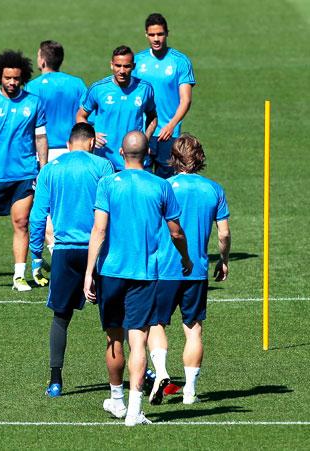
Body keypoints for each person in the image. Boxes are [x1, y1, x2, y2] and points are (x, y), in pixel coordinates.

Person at [83, 131, 192, 426]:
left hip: (110, 273)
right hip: (144, 274)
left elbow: (99, 231)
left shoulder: (107, 184)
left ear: (120, 152)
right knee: (138, 341)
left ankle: (116, 400)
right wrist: (185, 258)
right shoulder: (161, 185)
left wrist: (89, 272)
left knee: (113, 338)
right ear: (147, 154)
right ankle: (134, 410)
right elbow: (176, 231)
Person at [29, 123, 114, 397]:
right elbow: (113, 212)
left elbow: (38, 215)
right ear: (91, 143)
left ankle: (55, 381)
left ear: (68, 144)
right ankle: (139, 373)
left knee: (60, 317)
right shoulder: (103, 167)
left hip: (64, 252)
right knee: (114, 317)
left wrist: (35, 254)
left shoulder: (50, 170)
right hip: (98, 251)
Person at [146, 134, 230, 405]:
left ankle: (160, 373)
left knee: (155, 323)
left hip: (164, 269)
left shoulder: (164, 187)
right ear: (200, 158)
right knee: (193, 328)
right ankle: (191, 390)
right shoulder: (214, 190)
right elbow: (224, 234)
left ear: (173, 158)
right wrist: (224, 259)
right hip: (197, 271)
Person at [0, 49, 48, 291]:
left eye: (16, 78)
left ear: (23, 77)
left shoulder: (34, 102)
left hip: (24, 175)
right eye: (7, 78)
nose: (12, 82)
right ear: (0, 77)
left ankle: (19, 275)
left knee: (21, 222)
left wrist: (43, 170)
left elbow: (40, 138)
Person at [26, 40, 89, 276]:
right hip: (75, 150)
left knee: (45, 208)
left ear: (42, 60)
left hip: (45, 153)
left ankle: (58, 255)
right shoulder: (77, 84)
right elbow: (86, 114)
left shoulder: (33, 87)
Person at [133, 13, 196, 178]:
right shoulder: (137, 61)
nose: (156, 39)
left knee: (167, 183)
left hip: (168, 134)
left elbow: (186, 99)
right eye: (152, 34)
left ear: (167, 33)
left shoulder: (180, 61)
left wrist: (171, 125)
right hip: (142, 133)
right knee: (142, 180)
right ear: (146, 34)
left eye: (160, 34)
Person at [76, 46, 157, 171]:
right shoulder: (98, 89)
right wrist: (91, 134)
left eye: (127, 66)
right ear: (111, 65)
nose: (122, 71)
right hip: (104, 161)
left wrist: (145, 140)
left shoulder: (145, 89)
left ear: (133, 66)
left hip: (135, 160)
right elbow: (81, 116)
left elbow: (153, 117)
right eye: (118, 65)